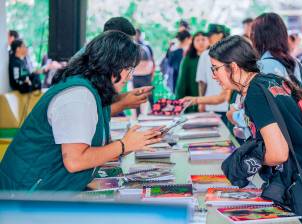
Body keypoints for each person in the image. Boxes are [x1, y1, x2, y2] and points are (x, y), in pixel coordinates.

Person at [0, 31, 162, 192]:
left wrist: (130, 144)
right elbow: (75, 161)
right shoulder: (79, 96)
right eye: (129, 69)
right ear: (113, 65)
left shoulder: (90, 90)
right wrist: (123, 145)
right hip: (24, 197)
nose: (129, 77)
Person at [209, 35, 302, 224]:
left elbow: (278, 153)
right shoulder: (270, 80)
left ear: (233, 66)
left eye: (215, 69)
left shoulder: (255, 93)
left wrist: (246, 162)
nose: (214, 75)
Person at [250, 13, 302, 86]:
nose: (251, 36)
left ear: (260, 37)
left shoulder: (261, 67)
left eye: (253, 33)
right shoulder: (298, 65)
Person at [195, 24, 230, 116]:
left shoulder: (232, 53)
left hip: (230, 106)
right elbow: (202, 82)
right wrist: (201, 103)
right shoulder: (205, 55)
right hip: (210, 105)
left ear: (220, 35)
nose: (208, 38)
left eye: (211, 35)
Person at [175, 32, 209, 113]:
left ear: (208, 41)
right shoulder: (188, 59)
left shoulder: (214, 57)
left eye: (203, 39)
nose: (201, 42)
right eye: (197, 40)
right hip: (192, 98)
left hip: (212, 99)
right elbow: (182, 82)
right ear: (193, 43)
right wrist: (179, 102)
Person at [133, 28, 156, 114]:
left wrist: (152, 73)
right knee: (136, 96)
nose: (136, 36)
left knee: (150, 96)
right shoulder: (131, 46)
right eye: (135, 34)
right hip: (136, 76)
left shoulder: (147, 46)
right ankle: (138, 115)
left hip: (146, 75)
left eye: (138, 34)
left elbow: (152, 60)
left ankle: (154, 112)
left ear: (140, 35)